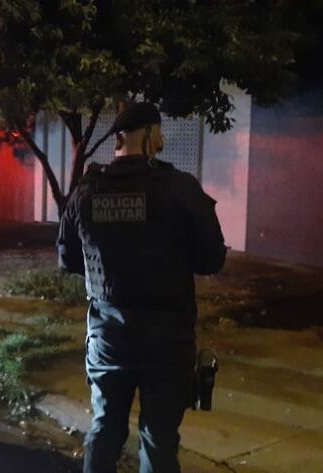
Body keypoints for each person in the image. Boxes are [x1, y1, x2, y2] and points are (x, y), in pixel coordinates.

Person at [57, 102, 226, 473]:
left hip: (108, 335)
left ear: (117, 139)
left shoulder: (87, 189)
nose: (162, 140)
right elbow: (212, 259)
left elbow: (68, 259)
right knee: (158, 438)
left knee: (105, 428)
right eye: (159, 133)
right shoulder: (180, 188)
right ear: (149, 135)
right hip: (167, 338)